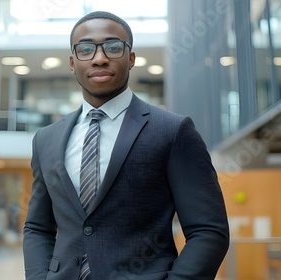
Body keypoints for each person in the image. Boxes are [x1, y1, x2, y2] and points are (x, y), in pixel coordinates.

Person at [23, 11, 230, 280]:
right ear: (73, 63)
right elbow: (38, 227)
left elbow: (208, 230)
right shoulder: (45, 139)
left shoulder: (172, 131)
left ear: (131, 58)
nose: (99, 58)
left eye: (113, 47)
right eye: (86, 49)